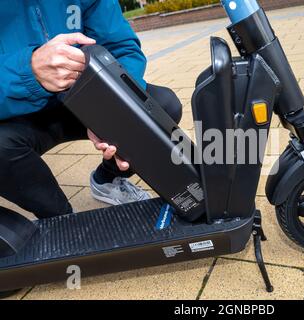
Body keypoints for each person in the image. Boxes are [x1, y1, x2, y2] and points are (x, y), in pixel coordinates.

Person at [0, 1, 182, 218]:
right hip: (15, 107)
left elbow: (121, 47)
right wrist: (29, 72)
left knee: (162, 107)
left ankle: (107, 179)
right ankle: (61, 221)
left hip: (81, 96)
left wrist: (110, 108)